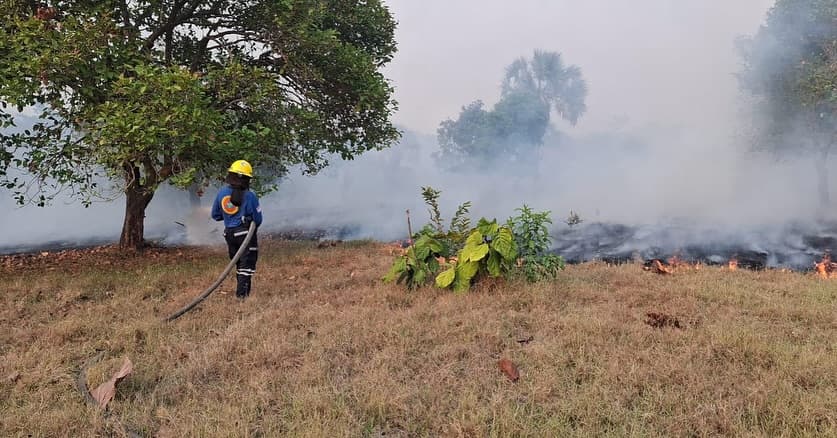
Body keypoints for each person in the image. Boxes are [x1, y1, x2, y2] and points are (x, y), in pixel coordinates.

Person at [211, 160, 263, 299]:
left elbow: (215, 215)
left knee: (239, 264)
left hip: (229, 235)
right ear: (246, 179)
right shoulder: (250, 195)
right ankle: (242, 297)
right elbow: (258, 219)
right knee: (246, 266)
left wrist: (229, 216)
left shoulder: (221, 193)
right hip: (245, 235)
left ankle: (242, 294)